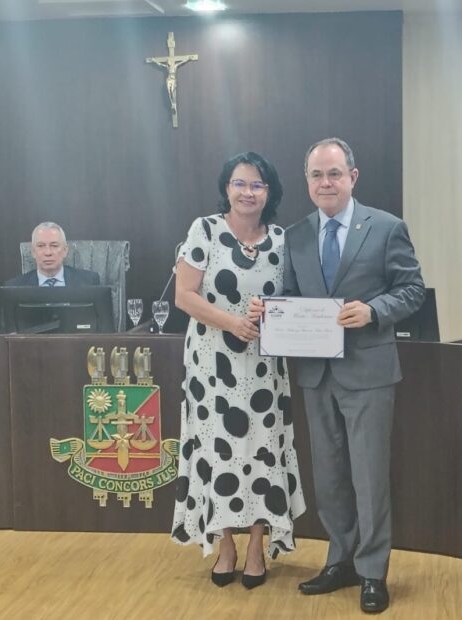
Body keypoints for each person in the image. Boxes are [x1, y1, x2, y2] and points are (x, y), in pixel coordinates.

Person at [251, 138, 424, 613]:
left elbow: (412, 289)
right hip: (316, 374)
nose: (325, 183)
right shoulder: (296, 235)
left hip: (368, 372)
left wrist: (373, 310)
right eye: (316, 175)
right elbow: (291, 294)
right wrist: (270, 310)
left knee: (369, 477)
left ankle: (372, 572)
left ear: (352, 176)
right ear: (306, 182)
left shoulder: (386, 227)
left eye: (333, 174)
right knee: (328, 477)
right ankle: (340, 560)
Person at [170, 152, 305, 591]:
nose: (248, 192)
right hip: (212, 366)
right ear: (226, 188)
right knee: (219, 452)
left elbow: (294, 299)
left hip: (265, 367)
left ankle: (257, 547)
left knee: (263, 451)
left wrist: (275, 311)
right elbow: (184, 296)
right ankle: (225, 544)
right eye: (239, 183)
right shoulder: (205, 230)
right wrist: (232, 323)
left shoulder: (283, 240)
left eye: (257, 185)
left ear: (270, 192)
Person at [3, 222, 100, 287]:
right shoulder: (14, 287)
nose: (48, 252)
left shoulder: (89, 282)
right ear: (33, 252)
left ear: (65, 250)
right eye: (41, 246)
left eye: (54, 245)